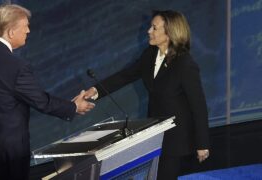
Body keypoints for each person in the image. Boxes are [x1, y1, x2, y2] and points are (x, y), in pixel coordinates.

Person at [0, 4, 95, 180]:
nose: (28, 30)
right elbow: (41, 101)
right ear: (11, 32)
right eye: (25, 26)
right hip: (6, 154)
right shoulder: (15, 66)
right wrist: (73, 107)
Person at [84, 10, 210, 179]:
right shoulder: (149, 55)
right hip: (155, 134)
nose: (148, 31)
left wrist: (202, 144)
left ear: (169, 32)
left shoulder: (185, 64)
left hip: (175, 138)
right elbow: (125, 76)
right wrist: (96, 90)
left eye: (154, 27)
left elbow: (199, 106)